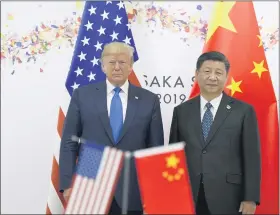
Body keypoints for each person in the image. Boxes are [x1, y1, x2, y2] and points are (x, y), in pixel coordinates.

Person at [59, 42, 164, 214]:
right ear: (102, 66)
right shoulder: (82, 95)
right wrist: (68, 184)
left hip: (132, 189)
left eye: (122, 62)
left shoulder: (149, 100)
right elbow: (69, 143)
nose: (117, 67)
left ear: (130, 66)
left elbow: (155, 149)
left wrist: (153, 190)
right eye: (111, 62)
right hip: (89, 185)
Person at [169, 51, 261, 215]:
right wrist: (172, 194)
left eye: (218, 73)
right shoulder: (181, 111)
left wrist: (250, 198)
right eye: (207, 71)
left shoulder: (243, 111)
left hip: (229, 196)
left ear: (226, 77)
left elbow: (252, 157)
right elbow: (173, 157)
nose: (212, 77)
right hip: (189, 195)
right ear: (197, 74)